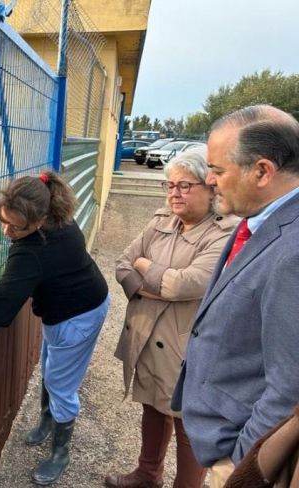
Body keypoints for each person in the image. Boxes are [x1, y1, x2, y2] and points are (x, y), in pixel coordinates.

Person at [172, 105, 299, 488]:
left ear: (262, 171)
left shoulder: (293, 251)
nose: (209, 180)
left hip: (243, 460)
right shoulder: (259, 218)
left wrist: (241, 461)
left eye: (219, 170)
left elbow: (289, 386)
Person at [105, 151, 239, 488]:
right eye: (170, 186)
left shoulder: (223, 233)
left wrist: (146, 267)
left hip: (186, 344)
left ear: (210, 189)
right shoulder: (161, 221)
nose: (174, 193)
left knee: (187, 422)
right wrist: (154, 284)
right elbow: (123, 263)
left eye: (184, 185)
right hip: (149, 334)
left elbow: (184, 284)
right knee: (152, 406)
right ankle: (148, 474)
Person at [0, 170, 110, 486]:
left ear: (38, 220)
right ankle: (46, 420)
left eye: (15, 226)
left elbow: (0, 312)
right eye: (2, 220)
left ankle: (60, 452)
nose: (6, 231)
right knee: (51, 367)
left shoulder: (33, 250)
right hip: (72, 305)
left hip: (79, 315)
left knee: (60, 383)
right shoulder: (59, 217)